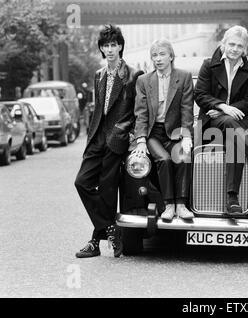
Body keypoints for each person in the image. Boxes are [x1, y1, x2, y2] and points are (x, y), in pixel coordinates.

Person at [74, 25, 144, 258]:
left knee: (107, 190)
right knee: (82, 182)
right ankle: (112, 229)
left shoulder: (133, 75)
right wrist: (91, 135)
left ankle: (96, 241)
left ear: (121, 46)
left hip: (117, 139)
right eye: (106, 45)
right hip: (97, 138)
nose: (110, 49)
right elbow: (99, 111)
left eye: (114, 45)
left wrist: (130, 136)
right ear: (102, 49)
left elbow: (137, 111)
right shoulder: (99, 74)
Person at [194, 25, 248, 215]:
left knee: (234, 138)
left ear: (245, 48)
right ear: (223, 44)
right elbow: (200, 94)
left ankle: (232, 198)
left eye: (239, 46)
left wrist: (227, 111)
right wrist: (222, 107)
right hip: (211, 123)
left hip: (238, 121)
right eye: (231, 44)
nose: (234, 49)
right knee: (232, 125)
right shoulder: (209, 65)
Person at [132, 39, 194, 221]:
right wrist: (141, 139)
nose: (158, 59)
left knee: (182, 157)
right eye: (154, 55)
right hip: (153, 133)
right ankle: (168, 206)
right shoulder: (144, 80)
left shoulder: (183, 77)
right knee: (165, 160)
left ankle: (181, 205)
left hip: (175, 132)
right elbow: (141, 113)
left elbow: (187, 109)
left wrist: (187, 135)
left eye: (162, 54)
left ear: (171, 56)